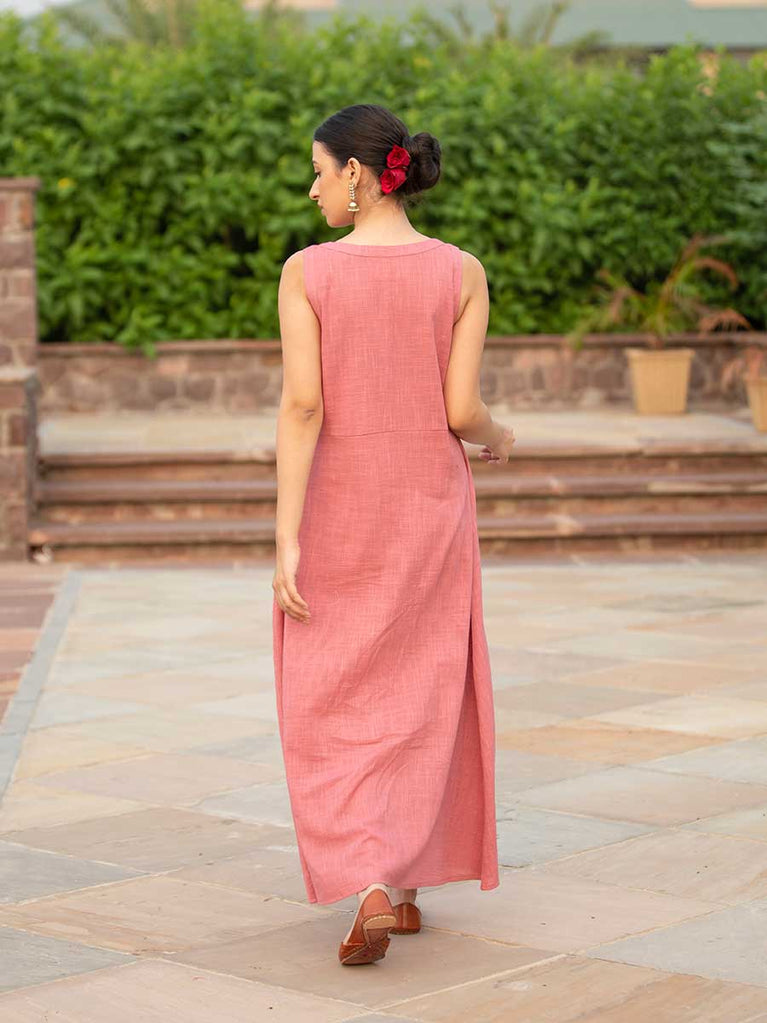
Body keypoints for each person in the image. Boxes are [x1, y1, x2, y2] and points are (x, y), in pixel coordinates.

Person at [272, 103, 515, 966]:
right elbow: (461, 409)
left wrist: (286, 536)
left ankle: (372, 878)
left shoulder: (308, 272)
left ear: (356, 173)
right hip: (428, 511)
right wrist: (501, 436)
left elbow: (304, 407)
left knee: (330, 693)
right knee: (423, 687)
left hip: (338, 510)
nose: (311, 190)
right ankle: (402, 886)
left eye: (317, 171)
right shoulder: (461, 271)